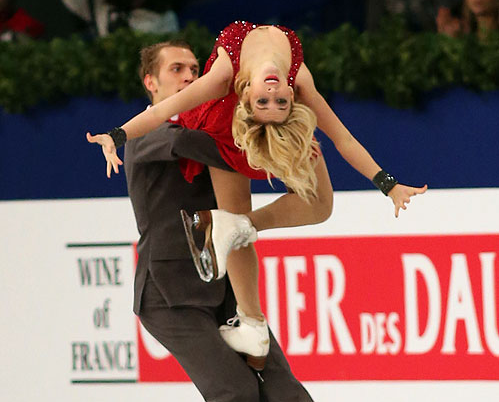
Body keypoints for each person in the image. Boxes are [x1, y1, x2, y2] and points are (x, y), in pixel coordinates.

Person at [118, 38, 392, 402]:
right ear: (152, 84)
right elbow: (200, 145)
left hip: (219, 288)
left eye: (195, 69)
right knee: (237, 391)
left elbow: (245, 203)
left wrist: (283, 141)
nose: (189, 77)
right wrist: (269, 136)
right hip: (169, 296)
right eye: (176, 70)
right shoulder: (150, 133)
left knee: (275, 377)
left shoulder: (223, 124)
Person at [87, 20, 427, 372]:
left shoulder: (228, 76)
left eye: (271, 99)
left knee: (320, 204)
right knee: (259, 223)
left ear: (247, 92)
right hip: (223, 127)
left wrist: (388, 185)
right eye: (276, 100)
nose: (273, 89)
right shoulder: (292, 81)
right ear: (284, 98)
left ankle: (237, 244)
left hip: (238, 128)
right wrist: (118, 136)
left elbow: (344, 140)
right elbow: (159, 110)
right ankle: (251, 320)